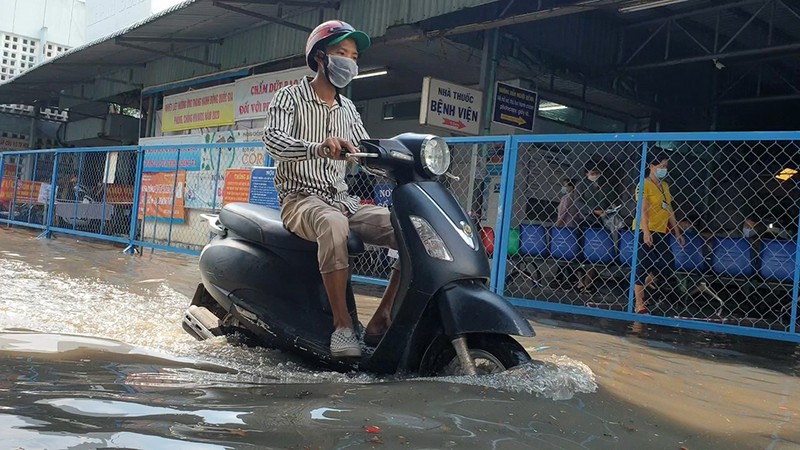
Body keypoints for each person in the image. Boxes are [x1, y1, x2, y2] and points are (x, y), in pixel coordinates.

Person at [262, 20, 399, 358]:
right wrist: (318, 148)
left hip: (344, 201)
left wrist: (394, 159)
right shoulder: (289, 97)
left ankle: (382, 317)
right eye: (342, 53)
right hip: (300, 200)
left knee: (409, 228)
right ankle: (342, 326)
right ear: (321, 57)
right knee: (333, 225)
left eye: (354, 56)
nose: (350, 61)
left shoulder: (349, 108)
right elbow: (274, 141)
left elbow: (365, 151)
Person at [632, 152, 685, 314]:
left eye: (665, 166)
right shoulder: (643, 185)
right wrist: (646, 232)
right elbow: (643, 210)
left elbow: (669, 210)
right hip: (645, 229)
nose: (664, 169)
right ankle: (639, 304)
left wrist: (677, 232)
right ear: (651, 166)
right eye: (661, 166)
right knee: (643, 265)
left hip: (661, 230)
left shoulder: (665, 186)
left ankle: (644, 287)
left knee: (666, 265)